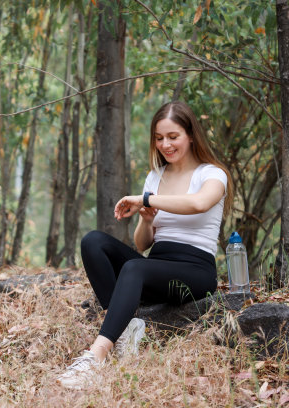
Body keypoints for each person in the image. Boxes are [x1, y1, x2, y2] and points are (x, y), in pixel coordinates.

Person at [57, 100, 234, 389]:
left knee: (135, 269)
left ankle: (96, 356)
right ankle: (127, 330)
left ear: (190, 135)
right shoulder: (156, 176)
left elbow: (199, 203)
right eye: (159, 138)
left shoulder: (212, 174)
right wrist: (147, 221)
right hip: (156, 265)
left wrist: (146, 200)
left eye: (173, 137)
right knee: (93, 242)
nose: (165, 144)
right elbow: (143, 244)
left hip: (195, 271)